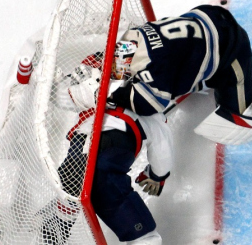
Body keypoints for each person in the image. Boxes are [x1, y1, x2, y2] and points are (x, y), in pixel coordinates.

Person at [110, 4, 252, 160]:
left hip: (232, 48)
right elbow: (123, 63)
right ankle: (206, 75)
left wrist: (111, 98)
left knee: (236, 116)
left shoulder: (157, 69)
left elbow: (148, 105)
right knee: (183, 68)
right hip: (206, 17)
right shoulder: (132, 37)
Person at [38, 47, 172, 245]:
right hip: (113, 145)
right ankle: (143, 239)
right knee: (105, 188)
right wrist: (157, 175)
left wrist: (51, 79)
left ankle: (55, 227)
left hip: (84, 142)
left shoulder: (94, 87)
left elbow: (62, 96)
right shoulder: (148, 102)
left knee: (73, 182)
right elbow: (162, 147)